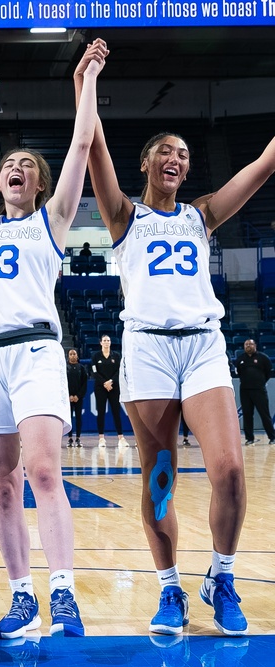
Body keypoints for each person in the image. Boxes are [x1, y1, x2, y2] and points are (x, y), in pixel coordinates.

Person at [79, 37, 275, 637]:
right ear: (147, 163)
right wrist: (86, 79)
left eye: (185, 154)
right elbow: (91, 146)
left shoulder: (202, 214)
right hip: (147, 347)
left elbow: (265, 164)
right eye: (167, 150)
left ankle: (222, 574)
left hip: (202, 343)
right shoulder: (124, 217)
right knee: (159, 477)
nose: (178, 158)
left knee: (231, 471)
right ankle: (169, 591)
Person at [0, 40, 106, 639]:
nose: (15, 169)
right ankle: (22, 595)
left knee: (44, 472)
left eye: (27, 166)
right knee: (1, 484)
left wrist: (87, 78)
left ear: (41, 185)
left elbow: (80, 142)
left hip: (35, 351)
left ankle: (63, 590)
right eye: (8, 165)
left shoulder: (53, 220)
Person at [234, 338, 275, 445]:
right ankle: (249, 438)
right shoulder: (240, 359)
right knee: (247, 415)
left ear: (255, 345)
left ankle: (272, 437)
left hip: (259, 390)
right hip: (245, 391)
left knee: (264, 414)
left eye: (250, 344)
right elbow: (238, 372)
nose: (248, 346)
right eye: (246, 344)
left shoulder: (263, 358)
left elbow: (268, 372)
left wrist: (260, 382)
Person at [91, 334, 127, 448]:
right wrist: (104, 383)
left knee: (116, 412)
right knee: (100, 412)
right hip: (100, 387)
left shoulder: (116, 356)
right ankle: (101, 438)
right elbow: (94, 372)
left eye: (108, 340)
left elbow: (119, 371)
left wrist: (111, 381)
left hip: (114, 387)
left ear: (110, 343)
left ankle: (121, 438)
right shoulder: (96, 356)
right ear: (101, 343)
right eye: (105, 340)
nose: (107, 342)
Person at [65, 348, 89, 447]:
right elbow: (63, 383)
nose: (73, 355)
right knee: (69, 418)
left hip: (78, 398)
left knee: (78, 417)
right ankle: (70, 438)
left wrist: (78, 396)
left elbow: (84, 383)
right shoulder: (65, 368)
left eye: (74, 354)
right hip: (68, 398)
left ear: (77, 356)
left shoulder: (82, 368)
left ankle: (78, 438)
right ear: (68, 356)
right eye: (71, 354)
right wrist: (69, 395)